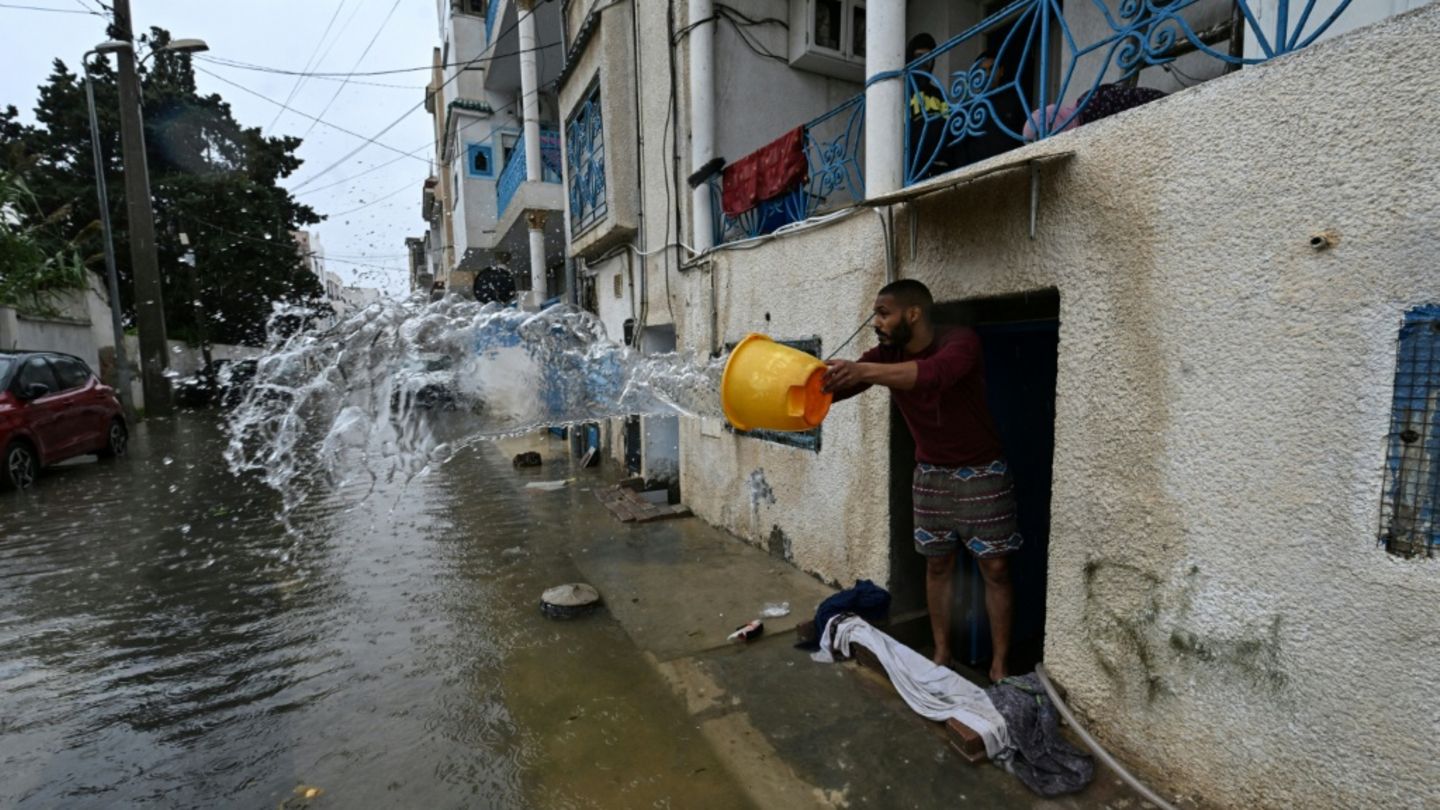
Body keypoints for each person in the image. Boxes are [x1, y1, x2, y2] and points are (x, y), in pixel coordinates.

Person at [822, 280, 1020, 682]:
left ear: (912, 313)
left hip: (984, 472)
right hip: (929, 473)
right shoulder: (885, 355)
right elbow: (837, 387)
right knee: (937, 565)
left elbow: (933, 375)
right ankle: (942, 653)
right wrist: (795, 389)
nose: (875, 323)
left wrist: (863, 369)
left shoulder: (960, 342)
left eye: (883, 313)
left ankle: (1000, 665)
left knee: (996, 567)